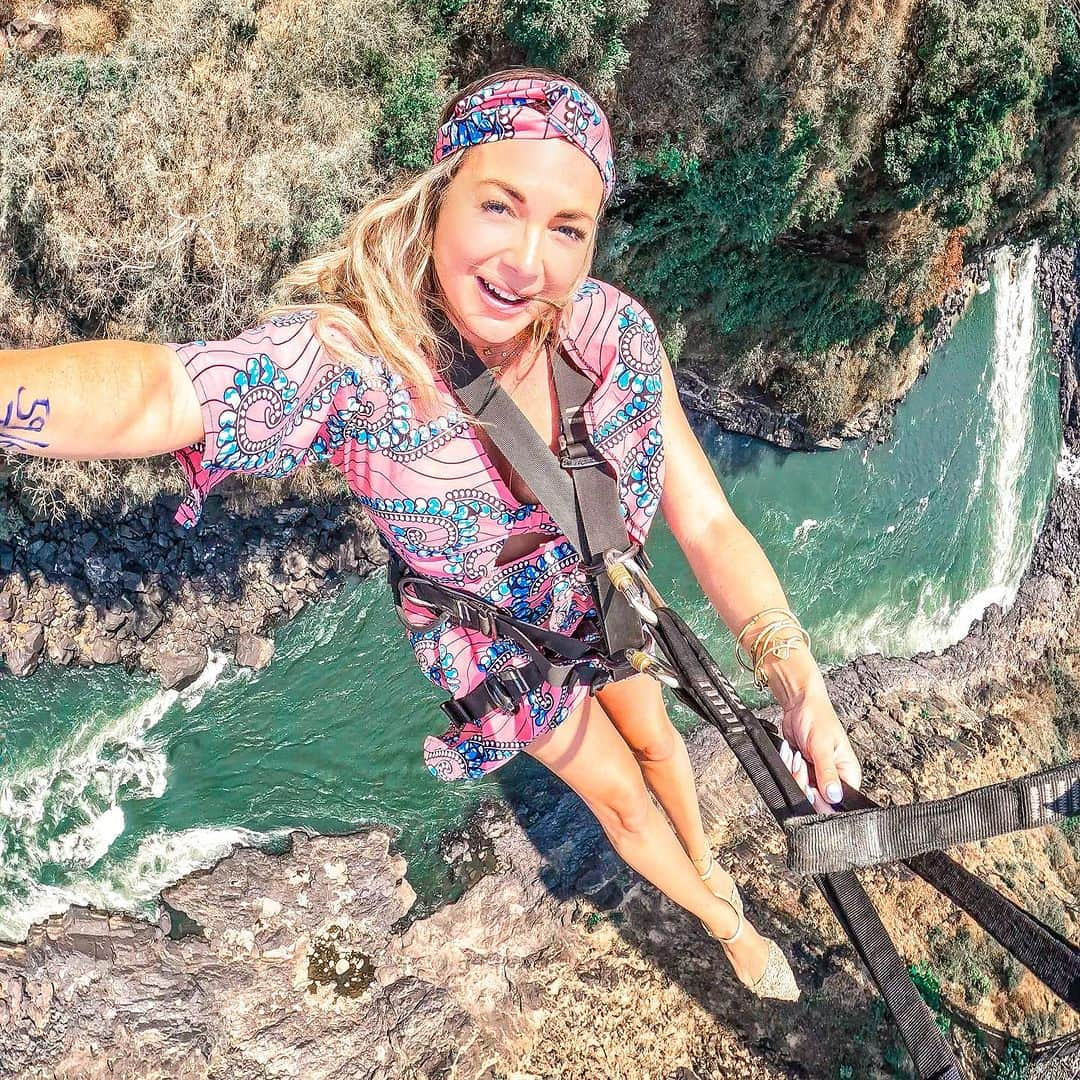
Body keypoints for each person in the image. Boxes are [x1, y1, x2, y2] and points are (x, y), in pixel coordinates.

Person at [0, 67, 861, 1001]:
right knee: (617, 793)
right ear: (439, 196)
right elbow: (167, 393)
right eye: (500, 205)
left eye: (567, 228)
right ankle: (723, 923)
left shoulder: (612, 338)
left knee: (657, 738)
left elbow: (708, 518)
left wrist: (795, 676)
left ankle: (706, 863)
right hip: (492, 641)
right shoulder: (361, 366)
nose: (528, 260)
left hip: (602, 594)